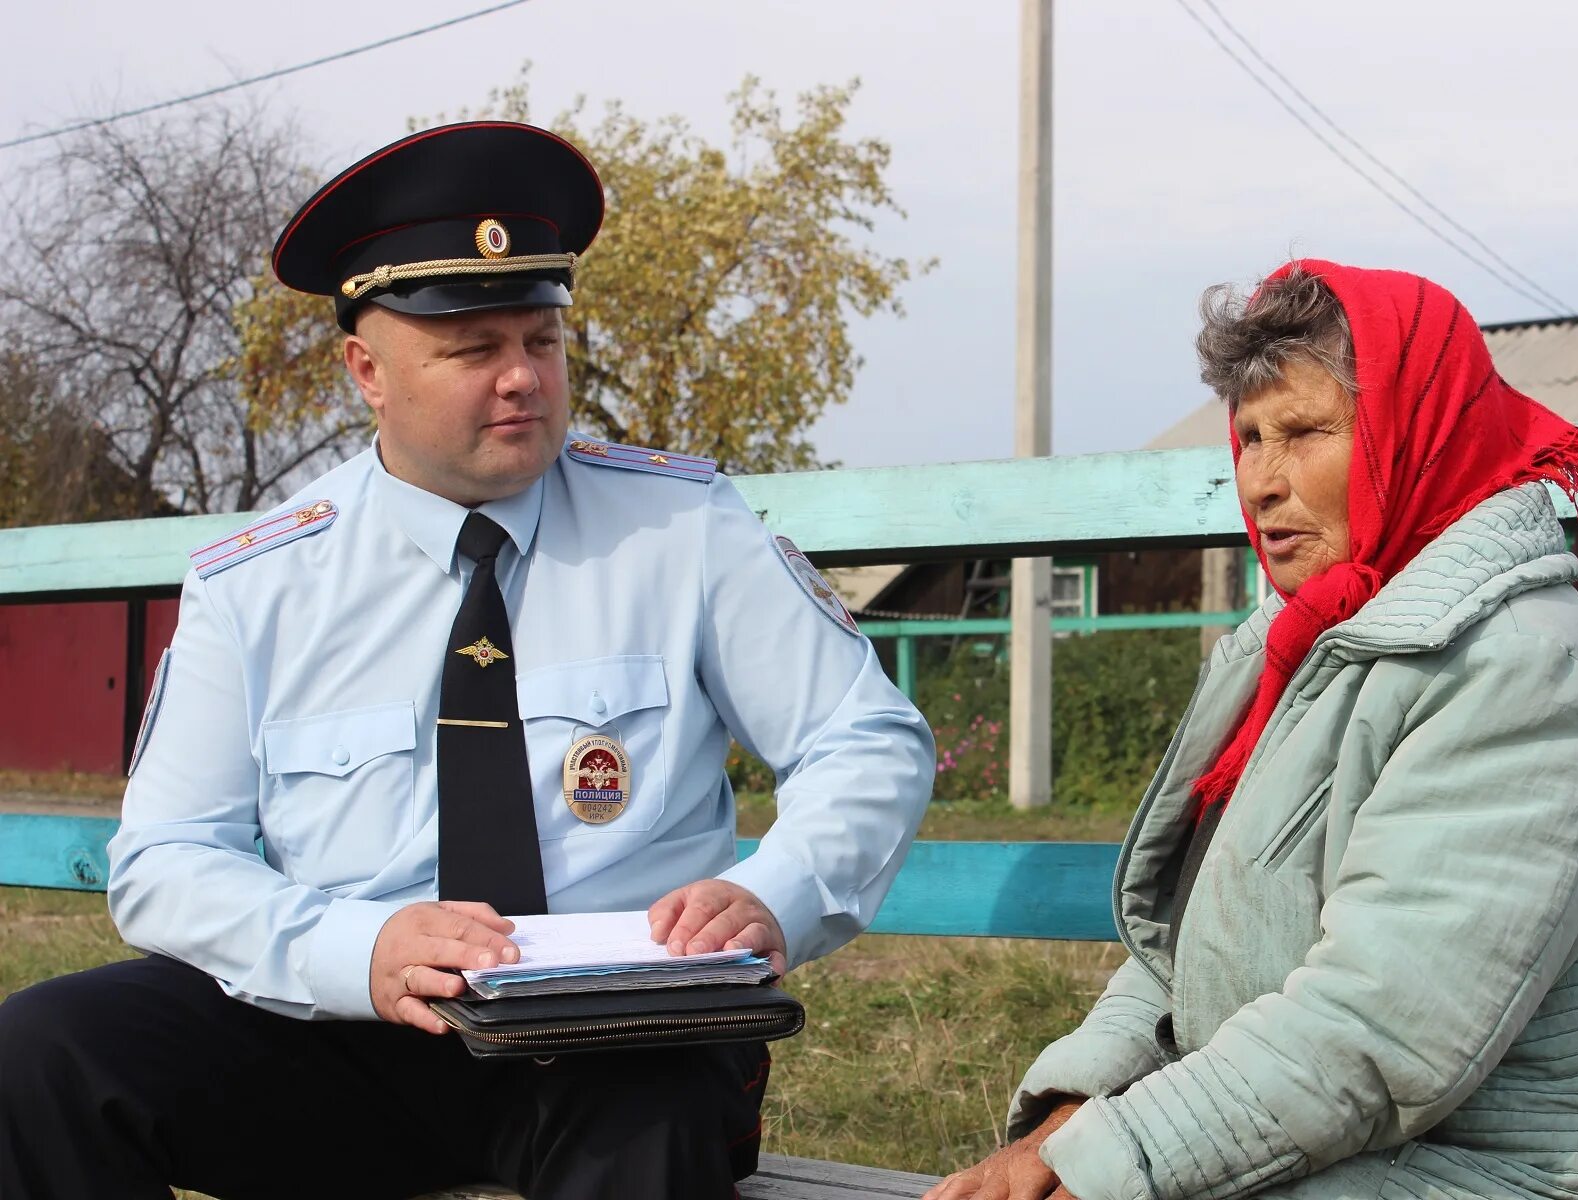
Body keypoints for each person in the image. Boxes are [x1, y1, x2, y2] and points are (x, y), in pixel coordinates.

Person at [0, 121, 934, 1200]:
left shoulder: (682, 530)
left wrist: (771, 890)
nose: (522, 379)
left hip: (619, 1032)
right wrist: (362, 947)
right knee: (41, 1055)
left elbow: (866, 742)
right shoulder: (261, 583)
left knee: (651, 1119)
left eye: (541, 340)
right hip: (347, 1025)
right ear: (367, 370)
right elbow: (165, 860)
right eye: (472, 349)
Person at [927, 260, 1578, 1199]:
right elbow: (1185, 950)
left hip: (1510, 1175)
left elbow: (1378, 1028)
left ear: (1412, 432)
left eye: (1304, 432)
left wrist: (1108, 1164)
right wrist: (1072, 1119)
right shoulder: (1303, 650)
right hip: (1360, 1159)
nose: (1261, 479)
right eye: (1251, 436)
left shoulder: (1515, 664)